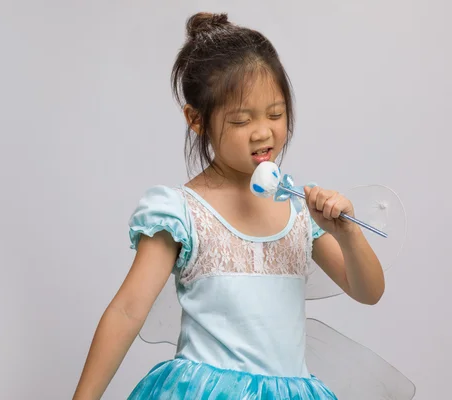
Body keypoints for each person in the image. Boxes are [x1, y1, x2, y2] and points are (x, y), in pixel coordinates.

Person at [72, 11, 384, 400]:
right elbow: (127, 311)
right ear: (197, 120)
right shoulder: (181, 212)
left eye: (276, 113)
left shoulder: (300, 209)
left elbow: (368, 291)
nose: (263, 131)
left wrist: (347, 233)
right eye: (241, 121)